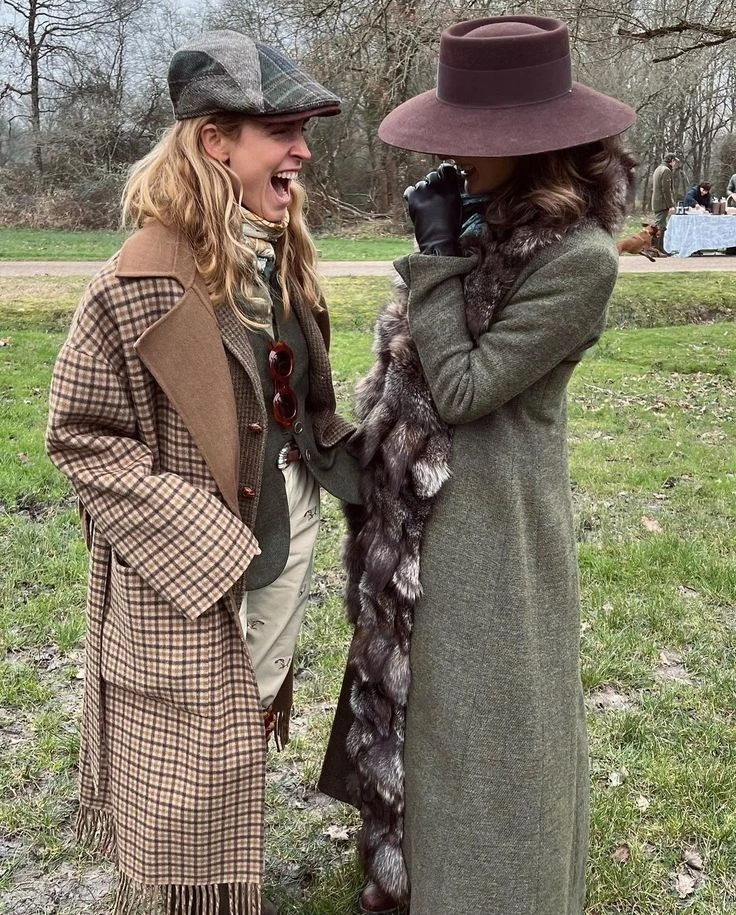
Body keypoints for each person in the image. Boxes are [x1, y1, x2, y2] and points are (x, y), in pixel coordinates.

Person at [319, 15, 635, 915]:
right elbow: (407, 385)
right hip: (420, 522)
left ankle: (502, 892)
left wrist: (435, 258)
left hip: (493, 532)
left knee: (494, 731)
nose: (449, 155)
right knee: (425, 723)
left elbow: (462, 388)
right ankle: (422, 880)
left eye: (470, 137)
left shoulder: (580, 261)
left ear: (533, 145)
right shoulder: (476, 225)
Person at [46, 29, 359, 915]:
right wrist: (201, 537)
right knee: (187, 755)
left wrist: (364, 461)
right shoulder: (133, 283)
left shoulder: (281, 252)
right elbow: (79, 434)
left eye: (303, 131)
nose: (302, 151)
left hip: (285, 533)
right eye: (282, 131)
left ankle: (223, 878)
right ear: (216, 141)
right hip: (187, 568)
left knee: (244, 717)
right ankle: (188, 894)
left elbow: (304, 397)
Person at [651, 151, 678, 253]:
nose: (675, 164)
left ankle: (657, 248)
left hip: (658, 202)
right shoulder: (666, 170)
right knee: (660, 226)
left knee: (659, 225)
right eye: (674, 161)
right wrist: (670, 205)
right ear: (671, 161)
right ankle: (657, 249)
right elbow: (666, 190)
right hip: (662, 203)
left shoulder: (659, 169)